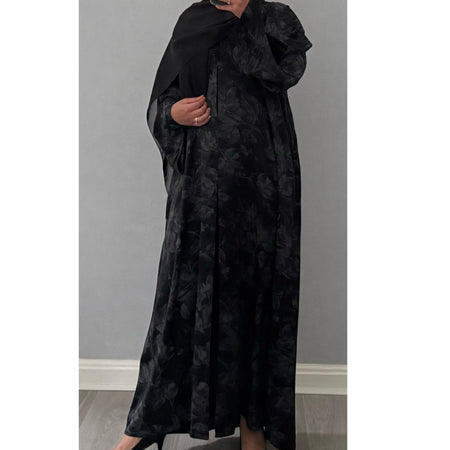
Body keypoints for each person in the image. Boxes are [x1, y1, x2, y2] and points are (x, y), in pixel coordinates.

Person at [113, 0, 312, 449]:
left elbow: (282, 73)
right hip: (200, 190)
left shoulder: (276, 18)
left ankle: (253, 428)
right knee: (180, 302)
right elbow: (163, 97)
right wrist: (173, 114)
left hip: (263, 188)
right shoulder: (194, 19)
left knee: (255, 298)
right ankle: (142, 427)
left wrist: (239, 23)